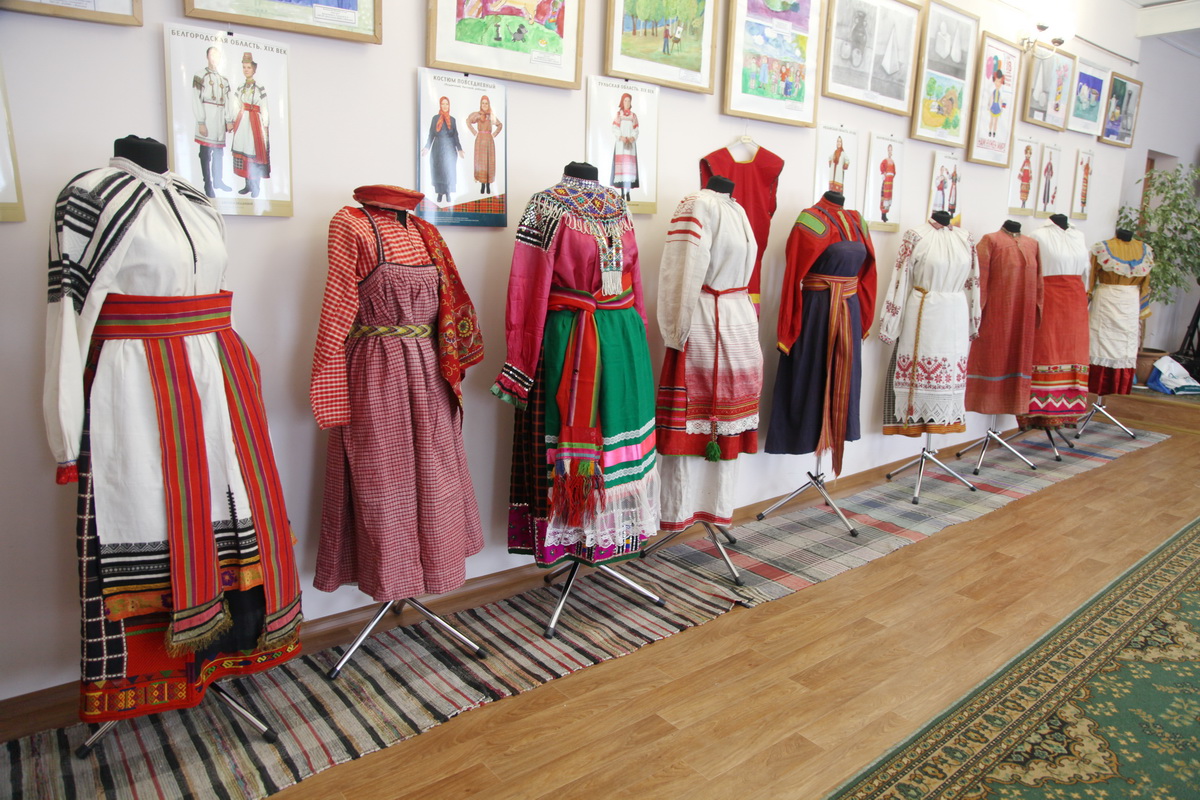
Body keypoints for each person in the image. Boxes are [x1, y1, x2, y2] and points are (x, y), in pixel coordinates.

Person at [191, 45, 234, 198]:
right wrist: (201, 122)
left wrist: (229, 120)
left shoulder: (223, 80)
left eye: (217, 56)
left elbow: (228, 101)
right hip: (207, 117)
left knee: (218, 153)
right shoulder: (200, 76)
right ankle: (207, 184)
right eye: (212, 55)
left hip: (219, 120)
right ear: (207, 57)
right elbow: (196, 99)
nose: (214, 58)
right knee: (205, 153)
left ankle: (218, 180)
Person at [231, 52, 271, 198]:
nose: (246, 70)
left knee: (254, 154)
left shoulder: (259, 88)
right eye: (244, 67)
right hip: (243, 122)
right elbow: (235, 105)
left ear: (254, 69)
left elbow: (264, 107)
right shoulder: (240, 87)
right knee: (243, 153)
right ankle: (247, 185)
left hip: (254, 123)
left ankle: (256, 186)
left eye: (249, 67)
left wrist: (265, 124)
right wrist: (233, 120)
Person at [422, 96, 465, 204]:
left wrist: (459, 149)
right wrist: (427, 147)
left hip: (450, 148)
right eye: (443, 104)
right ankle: (440, 193)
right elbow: (431, 134)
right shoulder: (435, 118)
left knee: (448, 170)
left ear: (449, 105)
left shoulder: (453, 120)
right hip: (438, 147)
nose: (445, 106)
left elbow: (455, 135)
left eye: (447, 104)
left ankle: (448, 192)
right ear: (440, 105)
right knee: (439, 171)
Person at [466, 95, 504, 195]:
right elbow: (468, 120)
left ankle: (488, 185)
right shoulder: (477, 115)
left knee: (489, 162)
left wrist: (494, 134)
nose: (484, 105)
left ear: (489, 104)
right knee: (481, 163)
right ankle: (482, 185)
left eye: (486, 103)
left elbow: (500, 125)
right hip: (480, 140)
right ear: (480, 104)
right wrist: (474, 132)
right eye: (483, 103)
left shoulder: (491, 115)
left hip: (489, 141)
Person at [611, 92, 639, 201]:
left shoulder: (633, 116)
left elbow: (636, 129)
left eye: (629, 101)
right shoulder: (619, 115)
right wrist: (620, 137)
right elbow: (615, 128)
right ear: (622, 102)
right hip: (621, 144)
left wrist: (632, 137)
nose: (627, 103)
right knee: (622, 168)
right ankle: (622, 193)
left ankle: (628, 193)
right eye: (625, 101)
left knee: (629, 169)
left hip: (630, 145)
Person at [879, 144, 896, 223]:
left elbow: (894, 172)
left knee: (888, 197)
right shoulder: (885, 160)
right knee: (884, 196)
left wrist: (891, 176)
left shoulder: (893, 162)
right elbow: (882, 166)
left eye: (891, 150)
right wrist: (884, 173)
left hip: (890, 183)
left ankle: (885, 214)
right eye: (889, 150)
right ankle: (883, 215)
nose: (890, 151)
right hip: (886, 181)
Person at [987, 67, 1005, 138]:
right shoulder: (993, 91)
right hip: (993, 106)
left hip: (997, 107)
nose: (998, 83)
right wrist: (989, 106)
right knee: (991, 120)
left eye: (999, 82)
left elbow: (1001, 100)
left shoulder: (999, 92)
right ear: (994, 81)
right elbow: (991, 98)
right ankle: (989, 131)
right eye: (997, 81)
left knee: (996, 121)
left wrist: (1003, 106)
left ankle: (994, 132)